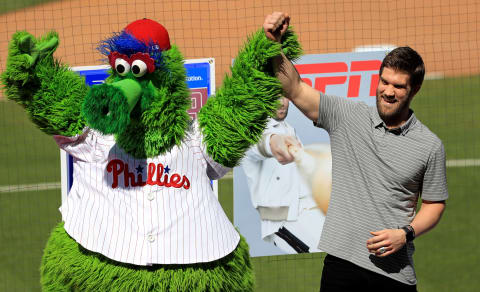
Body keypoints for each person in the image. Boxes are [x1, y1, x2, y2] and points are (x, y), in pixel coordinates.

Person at [262, 12, 448, 291]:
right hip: (341, 267)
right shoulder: (347, 116)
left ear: (415, 89)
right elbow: (295, 88)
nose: (388, 91)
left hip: (394, 273)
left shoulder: (429, 145)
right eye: (384, 81)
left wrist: (404, 234)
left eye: (398, 86)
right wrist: (273, 44)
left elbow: (434, 205)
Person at [241, 96, 326, 254]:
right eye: (274, 95)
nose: (281, 102)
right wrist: (273, 144)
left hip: (309, 210)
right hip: (282, 222)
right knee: (324, 263)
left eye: (285, 95)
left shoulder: (288, 128)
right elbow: (263, 143)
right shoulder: (252, 130)